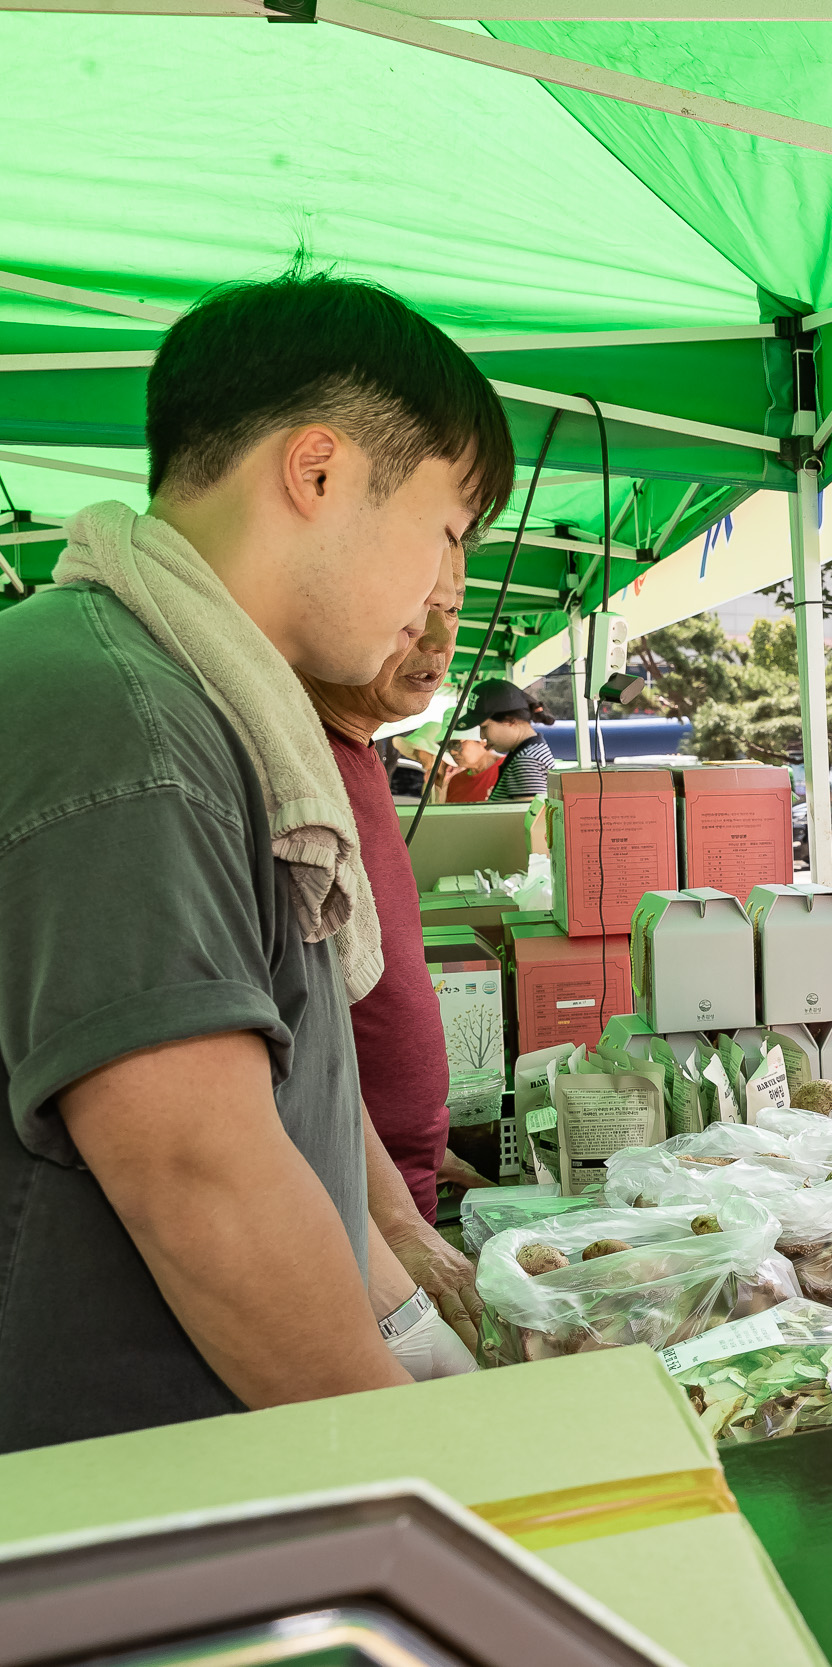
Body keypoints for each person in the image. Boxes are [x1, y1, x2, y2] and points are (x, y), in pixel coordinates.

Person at [0, 271, 516, 1450]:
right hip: (129, 1491)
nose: (443, 591)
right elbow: (201, 1174)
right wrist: (435, 1471)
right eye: (445, 531)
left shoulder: (190, 701)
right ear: (319, 471)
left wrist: (405, 1299)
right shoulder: (119, 716)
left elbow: (293, 1112)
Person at [299, 542, 493, 1371]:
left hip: (397, 1192)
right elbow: (298, 1046)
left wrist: (426, 1138)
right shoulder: (295, 762)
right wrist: (396, 1221)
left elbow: (367, 993)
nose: (438, 640)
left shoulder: (362, 755)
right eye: (416, 611)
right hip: (351, 1236)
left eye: (452, 612)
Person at [462, 677, 554, 802]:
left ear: (510, 720)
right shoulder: (526, 753)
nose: (482, 736)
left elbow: (525, 818)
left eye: (484, 727)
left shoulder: (526, 761)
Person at [439, 730, 502, 802]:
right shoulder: (456, 782)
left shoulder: (509, 766)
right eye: (448, 746)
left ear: (482, 741)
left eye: (457, 744)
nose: (453, 752)